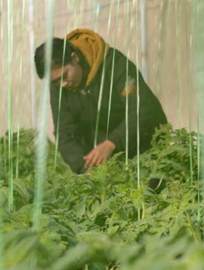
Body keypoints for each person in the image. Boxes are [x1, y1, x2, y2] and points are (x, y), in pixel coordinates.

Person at [34, 29, 167, 174]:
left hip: (146, 147)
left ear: (75, 57)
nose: (63, 85)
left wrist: (112, 143)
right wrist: (84, 167)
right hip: (111, 161)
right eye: (55, 82)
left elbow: (143, 109)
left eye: (65, 76)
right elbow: (65, 132)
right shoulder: (59, 85)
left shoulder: (115, 65)